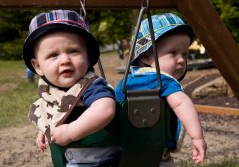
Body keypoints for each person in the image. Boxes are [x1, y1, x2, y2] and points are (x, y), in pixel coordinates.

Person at [22, 10, 121, 166]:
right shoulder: (51, 92)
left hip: (105, 160)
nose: (65, 60)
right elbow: (57, 112)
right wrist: (45, 129)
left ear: (88, 57)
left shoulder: (92, 86)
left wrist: (70, 131)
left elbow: (105, 110)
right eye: (53, 55)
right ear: (38, 66)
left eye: (73, 51)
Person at [115, 13, 207, 166]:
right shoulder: (162, 80)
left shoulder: (126, 81)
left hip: (125, 153)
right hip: (156, 154)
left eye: (184, 54)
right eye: (173, 53)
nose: (181, 60)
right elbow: (181, 103)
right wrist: (197, 138)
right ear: (145, 56)